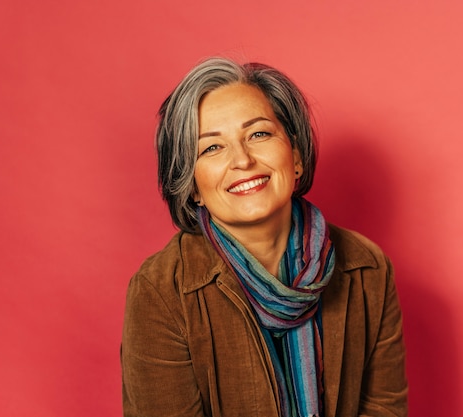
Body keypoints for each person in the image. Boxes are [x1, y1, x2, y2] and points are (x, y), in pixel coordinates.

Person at [121, 57, 408, 417]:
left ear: (296, 155)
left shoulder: (367, 267)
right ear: (192, 186)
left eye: (258, 134)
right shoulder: (161, 292)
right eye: (212, 147)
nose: (242, 160)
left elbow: (385, 408)